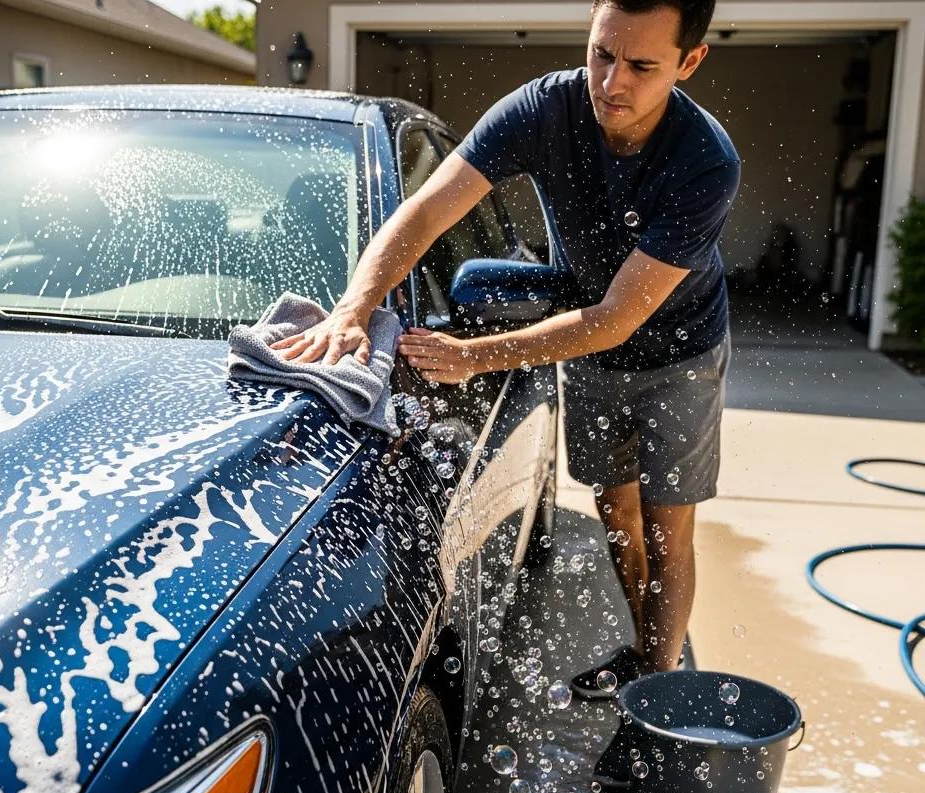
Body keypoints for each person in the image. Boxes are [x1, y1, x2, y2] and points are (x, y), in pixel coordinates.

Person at [273, 0, 740, 691]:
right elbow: (426, 211)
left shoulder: (705, 160)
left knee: (668, 529)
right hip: (587, 344)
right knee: (616, 512)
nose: (612, 82)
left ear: (689, 61)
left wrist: (474, 355)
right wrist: (353, 308)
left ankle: (656, 691)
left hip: (680, 353)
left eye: (642, 66)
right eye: (602, 53)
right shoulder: (543, 111)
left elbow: (617, 317)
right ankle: (642, 652)